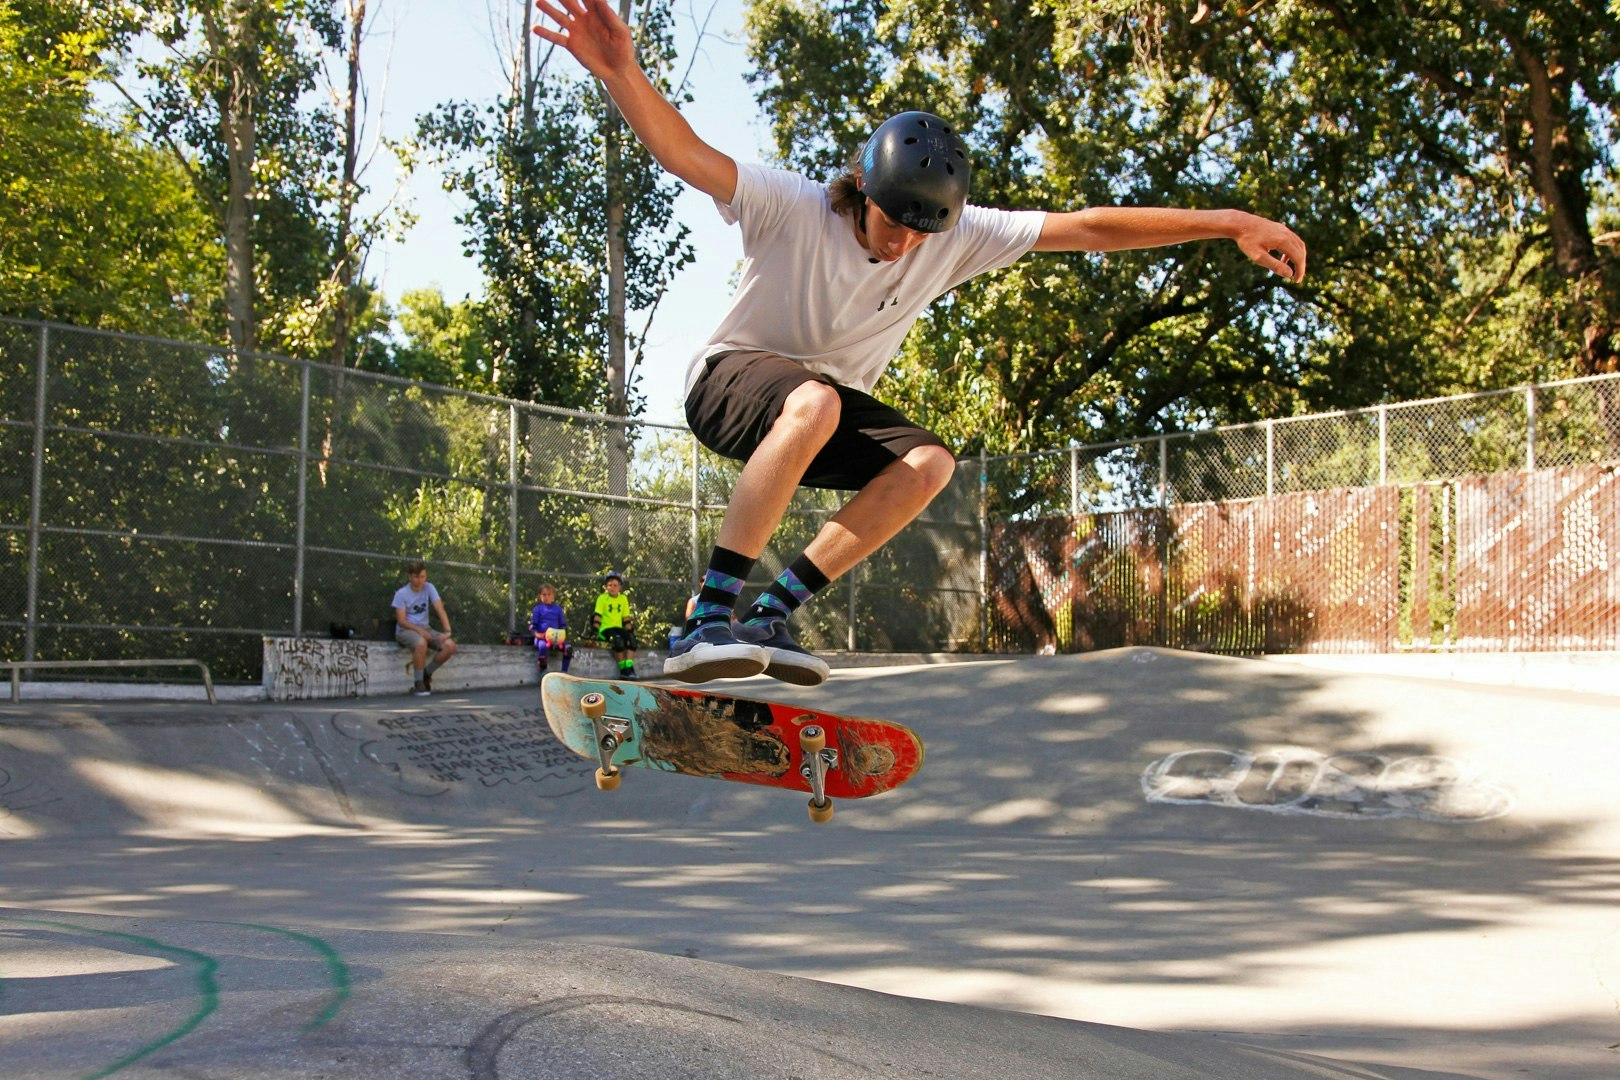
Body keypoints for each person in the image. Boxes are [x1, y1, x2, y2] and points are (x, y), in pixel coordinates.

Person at [535, 0, 1307, 688]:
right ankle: (707, 618)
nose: (906, 242)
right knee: (815, 401)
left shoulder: (958, 237)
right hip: (729, 387)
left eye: (924, 229)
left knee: (928, 462)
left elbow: (1089, 226)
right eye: (894, 222)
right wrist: (620, 73)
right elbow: (687, 154)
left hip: (816, 417)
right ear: (864, 191)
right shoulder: (791, 207)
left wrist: (1232, 220)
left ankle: (771, 614)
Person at [392, 560, 457, 696]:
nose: (420, 580)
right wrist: (421, 631)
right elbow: (401, 621)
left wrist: (447, 631)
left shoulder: (429, 587)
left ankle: (426, 674)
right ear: (410, 577)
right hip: (405, 631)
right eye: (416, 577)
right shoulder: (401, 594)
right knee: (421, 643)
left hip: (425, 629)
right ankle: (419, 684)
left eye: (422, 577)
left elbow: (439, 608)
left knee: (450, 646)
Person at [592, 570, 637, 679]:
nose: (612, 587)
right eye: (610, 585)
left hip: (618, 628)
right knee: (618, 641)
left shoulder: (623, 599)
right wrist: (595, 630)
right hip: (605, 629)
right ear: (606, 587)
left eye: (615, 585)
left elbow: (626, 618)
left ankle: (629, 667)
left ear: (620, 587)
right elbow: (598, 615)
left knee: (632, 640)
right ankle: (623, 670)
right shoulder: (602, 598)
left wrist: (630, 631)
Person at [530, 583, 573, 674]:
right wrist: (538, 635)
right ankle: (543, 671)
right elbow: (533, 627)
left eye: (549, 594)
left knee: (568, 648)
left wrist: (562, 636)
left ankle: (564, 673)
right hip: (542, 638)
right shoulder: (537, 609)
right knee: (542, 646)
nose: (546, 597)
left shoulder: (558, 609)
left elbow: (562, 626)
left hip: (556, 637)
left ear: (553, 595)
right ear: (540, 596)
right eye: (544, 595)